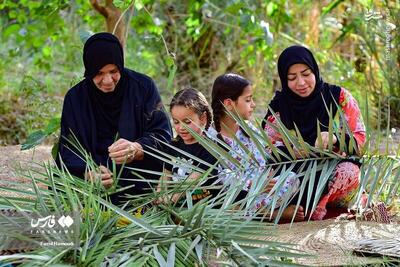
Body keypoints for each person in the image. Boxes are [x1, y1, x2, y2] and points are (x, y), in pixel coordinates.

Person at [56, 32, 172, 204]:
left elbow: (162, 135)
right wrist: (88, 171)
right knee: (61, 190)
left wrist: (137, 149)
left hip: (137, 177)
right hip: (93, 184)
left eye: (113, 71)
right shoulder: (75, 98)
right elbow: (68, 149)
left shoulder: (143, 87)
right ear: (89, 70)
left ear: (121, 66)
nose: (108, 80)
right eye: (99, 73)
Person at [262, 45, 366, 220]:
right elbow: (266, 150)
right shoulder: (279, 107)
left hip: (336, 182)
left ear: (315, 71)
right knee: (271, 180)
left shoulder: (339, 98)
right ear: (283, 79)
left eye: (306, 74)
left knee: (348, 172)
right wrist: (292, 152)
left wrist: (335, 138)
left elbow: (361, 142)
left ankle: (318, 206)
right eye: (292, 77)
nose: (301, 83)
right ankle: (298, 207)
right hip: (297, 180)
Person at [210, 73, 301, 219]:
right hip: (236, 197)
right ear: (228, 104)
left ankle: (260, 212)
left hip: (263, 193)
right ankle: (272, 214)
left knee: (291, 178)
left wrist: (296, 151)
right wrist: (254, 183)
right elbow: (221, 177)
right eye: (248, 100)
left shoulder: (248, 128)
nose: (253, 104)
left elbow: (269, 147)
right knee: (227, 207)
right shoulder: (210, 138)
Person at [156, 88, 218, 205]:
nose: (181, 128)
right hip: (175, 204)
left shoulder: (210, 149)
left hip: (203, 208)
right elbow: (166, 175)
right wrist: (160, 193)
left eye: (187, 122)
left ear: (202, 118)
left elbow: (190, 183)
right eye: (176, 122)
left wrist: (170, 199)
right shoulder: (173, 146)